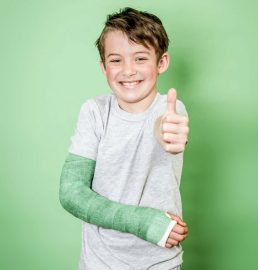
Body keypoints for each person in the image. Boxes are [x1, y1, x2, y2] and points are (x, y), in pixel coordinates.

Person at [59, 7, 189, 270]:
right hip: (99, 261)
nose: (128, 70)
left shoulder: (171, 111)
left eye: (140, 58)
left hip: (159, 260)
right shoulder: (94, 111)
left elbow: (164, 128)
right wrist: (141, 221)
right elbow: (71, 192)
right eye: (116, 60)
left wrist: (169, 134)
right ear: (103, 66)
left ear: (161, 62)